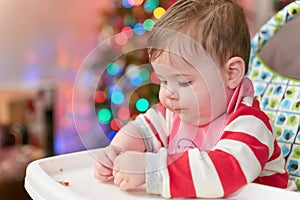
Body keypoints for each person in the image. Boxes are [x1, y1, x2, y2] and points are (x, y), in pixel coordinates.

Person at [94, 0, 290, 198]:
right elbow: (142, 130)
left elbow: (220, 175)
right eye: (163, 81)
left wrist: (150, 169)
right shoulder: (174, 113)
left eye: (183, 82)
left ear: (230, 73)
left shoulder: (250, 125)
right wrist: (116, 151)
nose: (168, 93)